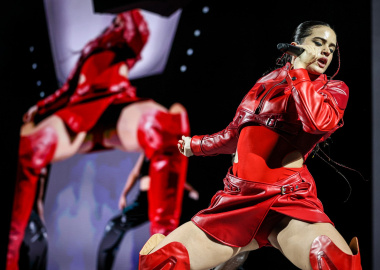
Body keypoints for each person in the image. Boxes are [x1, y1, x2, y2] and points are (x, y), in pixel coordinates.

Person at [137, 20, 362, 270]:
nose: (326, 51)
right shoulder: (265, 82)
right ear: (296, 45)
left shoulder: (334, 89)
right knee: (161, 263)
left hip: (288, 201)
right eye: (318, 43)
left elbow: (316, 122)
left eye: (331, 47)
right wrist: (196, 145)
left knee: (333, 262)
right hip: (236, 199)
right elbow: (235, 133)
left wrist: (299, 72)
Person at [8, 9, 191, 270]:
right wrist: (41, 107)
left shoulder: (129, 36)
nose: (114, 21)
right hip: (78, 109)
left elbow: (137, 33)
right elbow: (66, 89)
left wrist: (127, 12)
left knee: (165, 124)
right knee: (33, 143)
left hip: (117, 101)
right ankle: (10, 259)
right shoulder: (89, 51)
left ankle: (164, 258)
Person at [97, 153, 199, 270]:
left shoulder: (170, 150)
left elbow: (176, 175)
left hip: (161, 199)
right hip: (143, 201)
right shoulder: (147, 151)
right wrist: (124, 194)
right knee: (114, 226)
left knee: (168, 237)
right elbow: (135, 173)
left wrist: (190, 190)